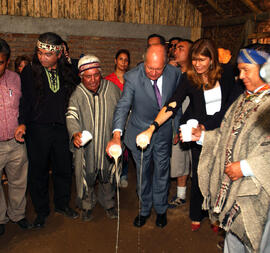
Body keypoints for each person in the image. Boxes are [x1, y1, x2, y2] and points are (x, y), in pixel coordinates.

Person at [137, 38, 241, 231]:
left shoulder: (226, 74)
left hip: (221, 132)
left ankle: (215, 215)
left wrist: (207, 125)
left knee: (219, 174)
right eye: (194, 59)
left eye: (202, 60)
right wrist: (153, 126)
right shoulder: (189, 78)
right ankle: (196, 214)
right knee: (200, 173)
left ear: (212, 60)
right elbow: (174, 103)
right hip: (196, 133)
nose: (197, 64)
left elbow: (231, 106)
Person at [191, 44, 270, 252]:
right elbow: (225, 134)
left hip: (258, 194)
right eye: (239, 69)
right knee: (233, 238)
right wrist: (203, 137)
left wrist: (245, 167)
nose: (240, 75)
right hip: (236, 190)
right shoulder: (244, 99)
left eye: (246, 70)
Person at [106, 44, 181, 228]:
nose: (154, 73)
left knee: (162, 172)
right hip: (139, 131)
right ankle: (145, 209)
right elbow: (123, 105)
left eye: (158, 69)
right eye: (150, 68)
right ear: (144, 61)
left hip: (163, 132)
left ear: (165, 64)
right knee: (142, 174)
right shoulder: (132, 77)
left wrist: (176, 128)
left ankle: (161, 209)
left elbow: (175, 103)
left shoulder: (174, 74)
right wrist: (116, 135)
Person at [15, 32, 79, 229]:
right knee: (39, 172)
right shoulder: (29, 72)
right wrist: (23, 122)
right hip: (38, 130)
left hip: (61, 129)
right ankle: (42, 211)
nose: (42, 57)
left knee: (63, 169)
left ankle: (61, 204)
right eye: (40, 52)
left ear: (58, 54)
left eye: (47, 54)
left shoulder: (67, 72)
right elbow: (24, 101)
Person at [66, 55, 121, 221]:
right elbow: (71, 116)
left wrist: (117, 135)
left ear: (101, 73)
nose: (92, 80)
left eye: (96, 75)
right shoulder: (77, 94)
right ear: (81, 77)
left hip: (107, 141)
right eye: (88, 76)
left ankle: (108, 203)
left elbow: (122, 112)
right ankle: (87, 205)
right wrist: (75, 133)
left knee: (107, 175)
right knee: (86, 175)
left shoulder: (112, 89)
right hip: (87, 146)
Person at [0, 38, 32, 236]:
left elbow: (26, 106)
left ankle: (17, 215)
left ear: (7, 60)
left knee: (19, 181)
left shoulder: (16, 79)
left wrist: (23, 124)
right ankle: (0, 218)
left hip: (15, 142)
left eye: (1, 62)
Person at [168, 39, 193, 208]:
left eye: (181, 48)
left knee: (197, 163)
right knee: (179, 161)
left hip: (196, 127)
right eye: (175, 48)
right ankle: (181, 196)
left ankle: (201, 202)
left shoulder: (196, 76)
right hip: (178, 124)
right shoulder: (175, 74)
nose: (176, 51)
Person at [105, 49, 131, 188]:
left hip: (128, 118)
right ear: (115, 61)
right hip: (113, 118)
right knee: (116, 146)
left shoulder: (131, 79)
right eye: (121, 59)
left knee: (126, 147)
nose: (123, 62)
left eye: (126, 60)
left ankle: (124, 174)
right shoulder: (108, 80)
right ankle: (112, 175)